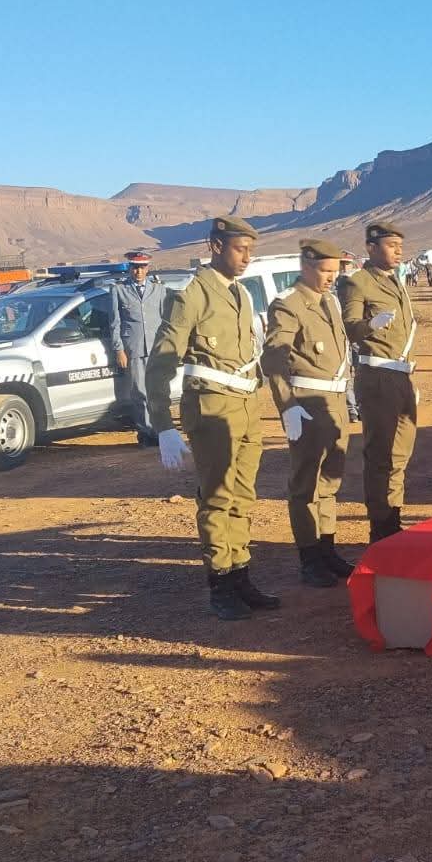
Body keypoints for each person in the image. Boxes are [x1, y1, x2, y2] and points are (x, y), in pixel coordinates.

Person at [145, 217, 280, 620]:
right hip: (211, 407)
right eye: (240, 249)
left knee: (243, 495)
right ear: (215, 246)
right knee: (218, 497)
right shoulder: (192, 295)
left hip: (245, 406)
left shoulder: (241, 293)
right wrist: (163, 425)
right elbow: (161, 362)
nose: (246, 258)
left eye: (250, 251)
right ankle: (220, 583)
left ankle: (240, 574)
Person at [262, 239, 356, 588]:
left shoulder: (329, 301)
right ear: (305, 266)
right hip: (306, 403)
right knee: (306, 484)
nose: (331, 277)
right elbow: (273, 359)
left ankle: (327, 549)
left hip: (334, 402)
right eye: (325, 271)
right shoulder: (288, 305)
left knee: (330, 481)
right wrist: (287, 405)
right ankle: (309, 558)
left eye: (335, 271)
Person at [340, 222, 419, 542]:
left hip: (400, 375)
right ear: (371, 248)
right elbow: (349, 326)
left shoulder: (396, 281)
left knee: (400, 454)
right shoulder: (358, 282)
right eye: (391, 245)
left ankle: (393, 520)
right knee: (380, 455)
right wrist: (370, 325)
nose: (398, 251)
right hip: (376, 377)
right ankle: (380, 528)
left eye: (400, 245)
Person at [107, 250, 170, 446]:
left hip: (156, 348)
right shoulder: (119, 290)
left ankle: (160, 430)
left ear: (148, 268)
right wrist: (119, 349)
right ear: (129, 268)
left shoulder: (159, 289)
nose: (138, 271)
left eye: (142, 267)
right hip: (133, 349)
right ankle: (146, 432)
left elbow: (166, 320)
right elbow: (115, 323)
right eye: (135, 267)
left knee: (157, 392)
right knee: (139, 393)